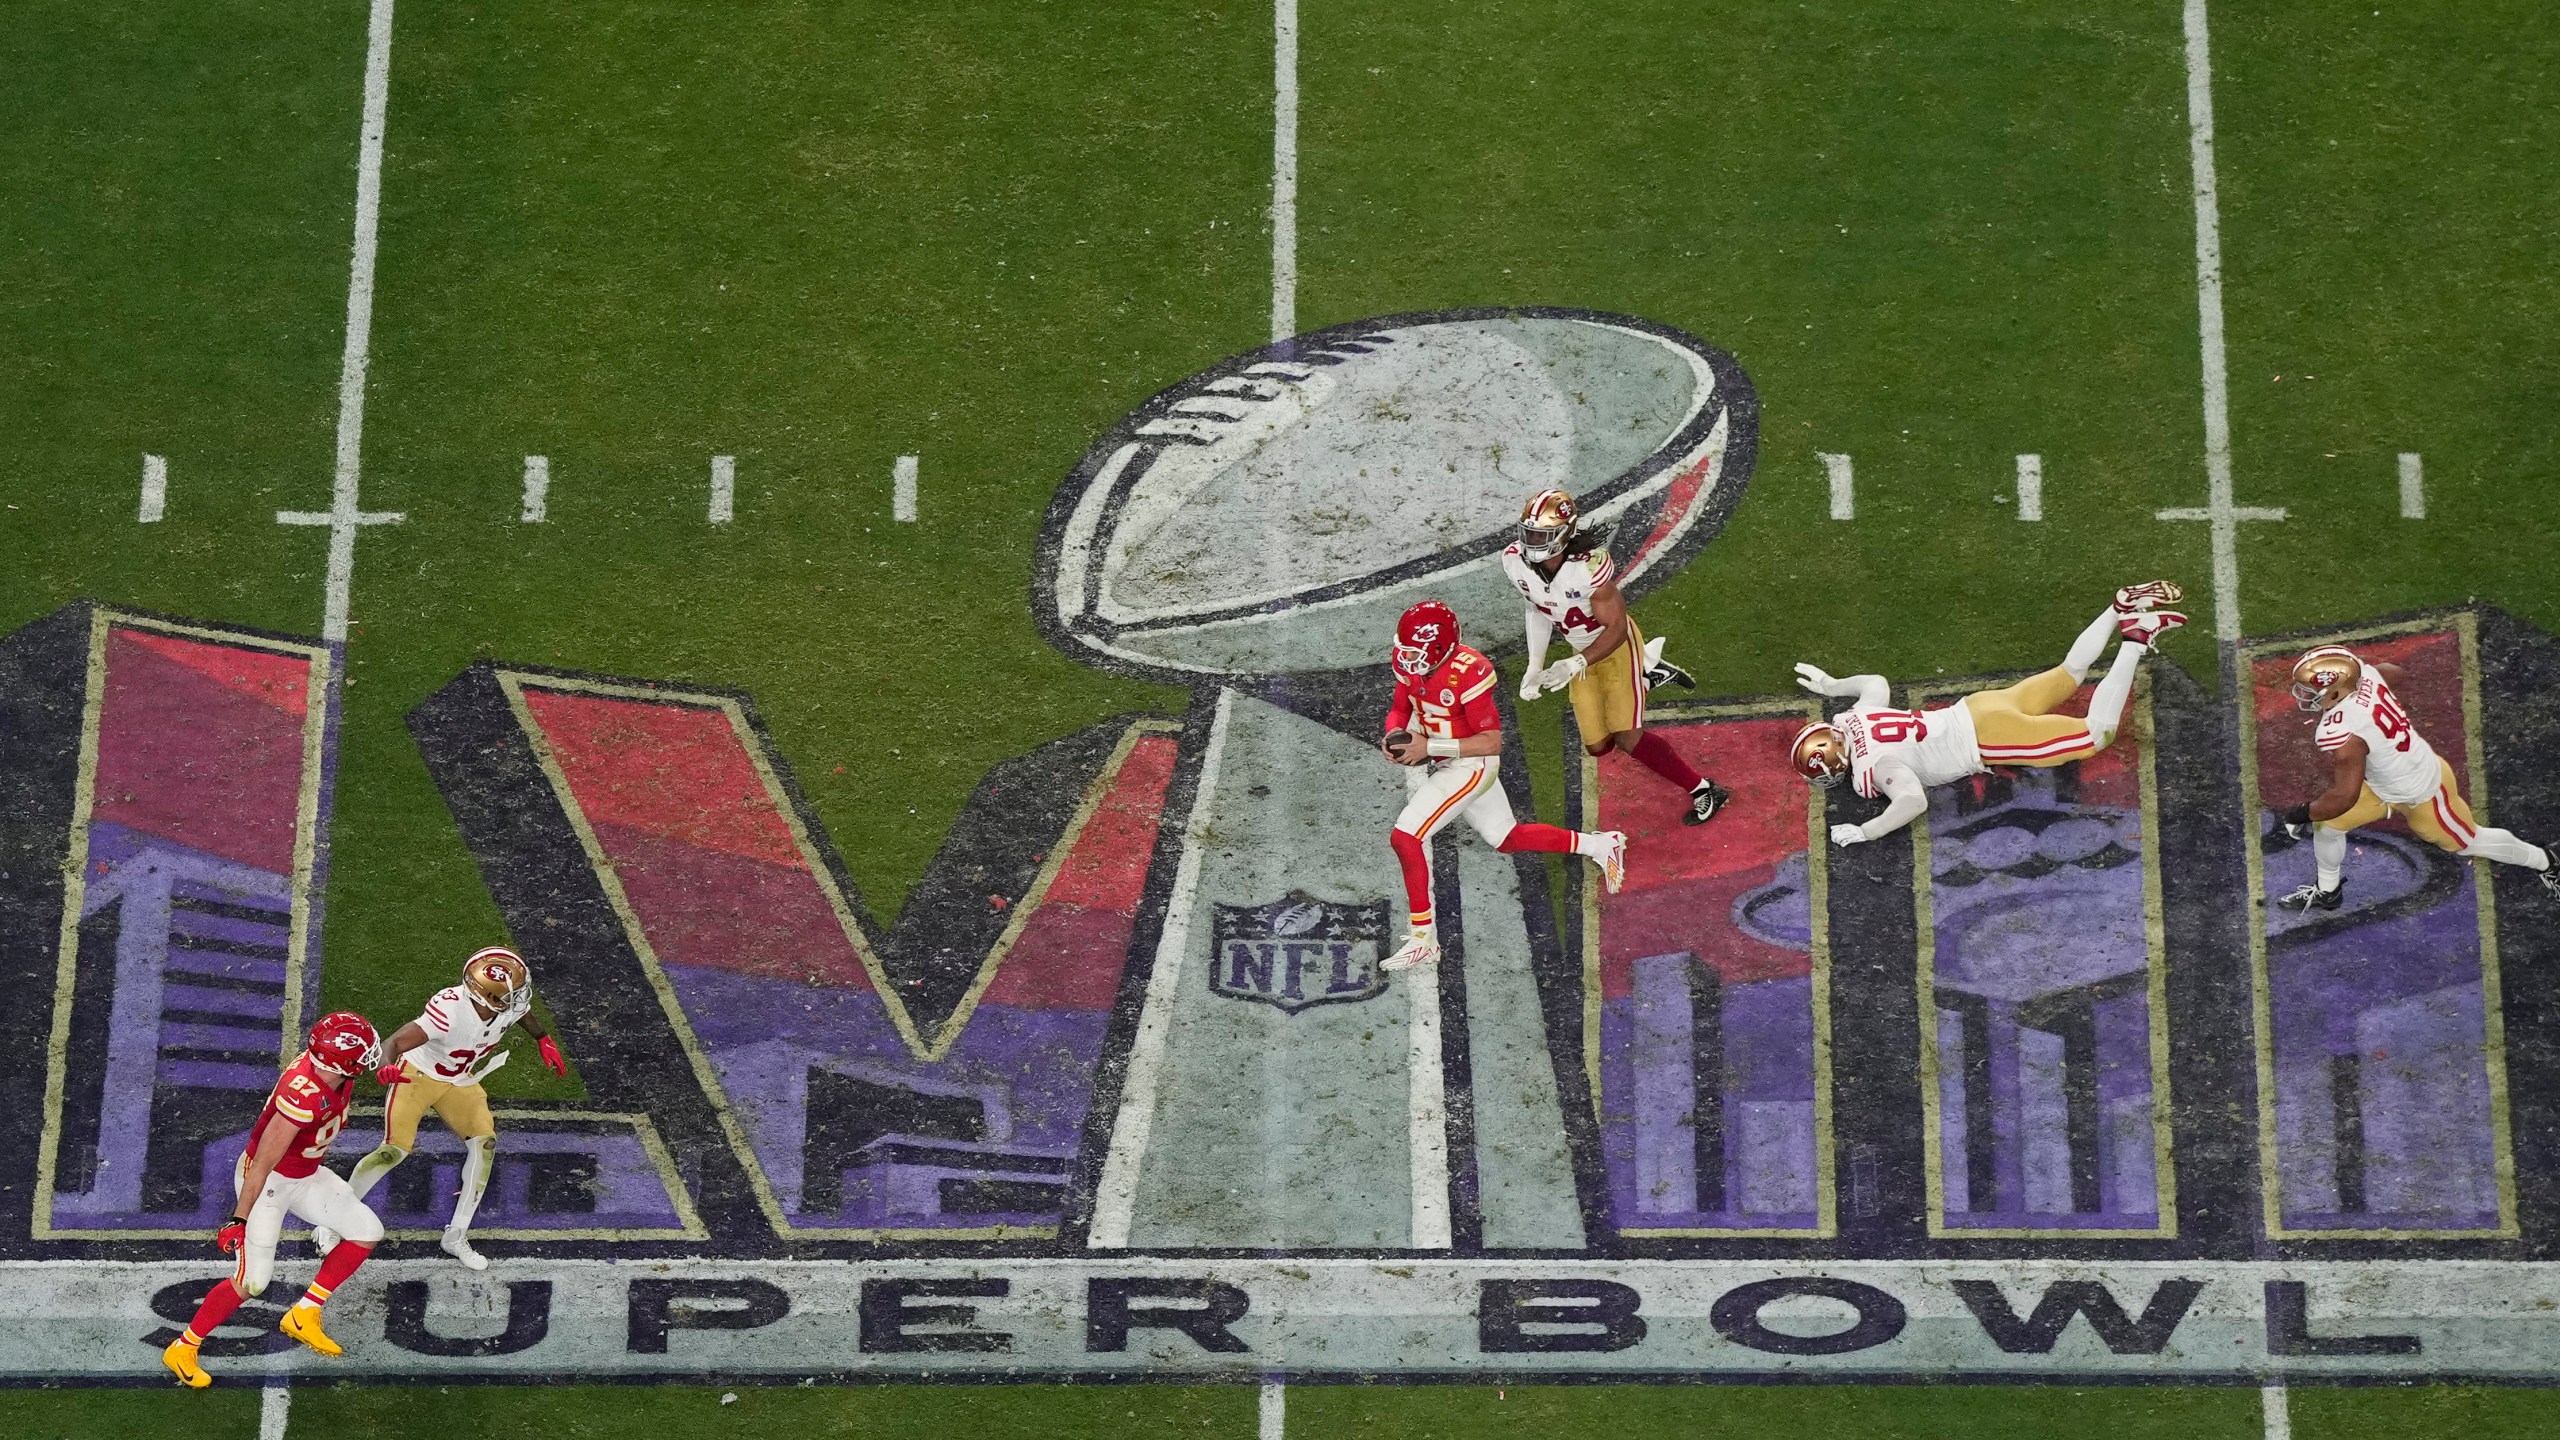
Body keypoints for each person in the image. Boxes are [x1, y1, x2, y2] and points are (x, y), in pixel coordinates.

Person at [1787, 583, 2185, 844]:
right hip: (1977, 706)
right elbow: (1875, 682)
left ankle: (2135, 641)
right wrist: (1831, 686)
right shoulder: (1856, 717)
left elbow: (1911, 801)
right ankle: (2118, 608)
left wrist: (1866, 830)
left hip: (1989, 737)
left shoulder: (1874, 768)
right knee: (2069, 673)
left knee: (2096, 735)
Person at [1381, 600, 1626, 972]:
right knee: (1506, 837)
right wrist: (1393, 734)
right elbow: (1400, 708)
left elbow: (1491, 742)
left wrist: (1427, 747)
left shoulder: (1469, 672)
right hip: (1448, 760)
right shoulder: (1412, 666)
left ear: (1437, 648)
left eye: (1416, 652)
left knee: (1405, 837)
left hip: (1471, 764)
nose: (1407, 659)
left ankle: (1423, 939)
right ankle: (1600, 844)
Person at [162, 1011, 396, 1387]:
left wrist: (385, 1070)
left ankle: (304, 1313)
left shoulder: (330, 1069)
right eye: (366, 1052)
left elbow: (367, 1060)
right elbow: (261, 1166)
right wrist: (239, 1218)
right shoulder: (302, 1096)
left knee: (367, 1230)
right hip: (269, 1183)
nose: (372, 1055)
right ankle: (183, 1346)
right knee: (252, 1282)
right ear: (342, 1062)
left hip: (304, 1175)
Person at [317, 945, 568, 1270]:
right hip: (418, 1077)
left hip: (458, 1080)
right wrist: (385, 1068)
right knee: (393, 1151)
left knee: (485, 1145)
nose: (518, 999)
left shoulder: (503, 1005)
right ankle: (333, 1218)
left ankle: (456, 1235)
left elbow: (520, 1012)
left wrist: (542, 1038)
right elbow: (392, 1043)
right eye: (510, 995)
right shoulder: (449, 1012)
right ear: (485, 997)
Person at [2273, 644, 2560, 909]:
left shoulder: (2342, 733)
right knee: (2328, 825)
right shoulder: (2366, 677)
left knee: (2468, 841)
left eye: (2311, 691)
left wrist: (2298, 814)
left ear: (2336, 692)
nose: (2305, 696)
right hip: (2383, 784)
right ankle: (2328, 891)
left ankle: (2548, 861)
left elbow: (2344, 797)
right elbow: (2394, 673)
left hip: (2422, 791)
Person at [1506, 487, 1730, 825]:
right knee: (1598, 747)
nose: (1532, 541)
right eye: (1530, 532)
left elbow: (1617, 628)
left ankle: (1704, 789)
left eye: (1542, 534)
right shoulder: (1514, 561)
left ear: (1563, 535)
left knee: (1627, 738)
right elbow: (1536, 608)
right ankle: (1650, 675)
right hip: (1580, 652)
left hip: (1615, 649)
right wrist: (1534, 665)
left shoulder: (1587, 569)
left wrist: (1575, 663)